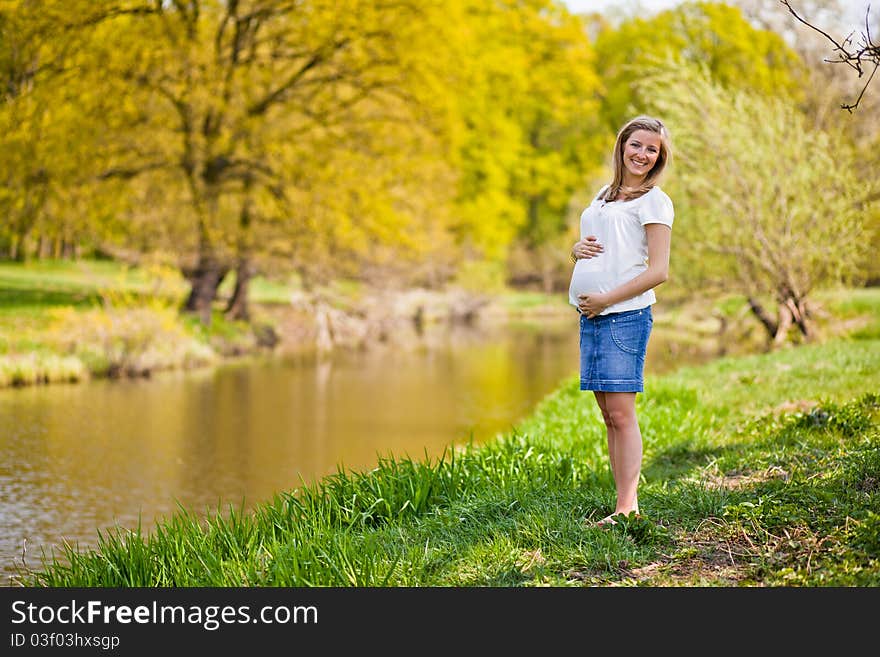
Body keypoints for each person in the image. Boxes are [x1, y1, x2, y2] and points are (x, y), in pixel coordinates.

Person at [568, 115, 673, 527]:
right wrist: (575, 251)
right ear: (622, 146)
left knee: (622, 414)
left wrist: (605, 300)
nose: (642, 155)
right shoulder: (604, 194)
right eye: (637, 145)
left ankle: (628, 508)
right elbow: (606, 250)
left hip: (623, 315)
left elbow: (658, 271)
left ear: (659, 157)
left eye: (652, 149)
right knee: (608, 414)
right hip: (593, 316)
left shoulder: (655, 200)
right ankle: (620, 503)